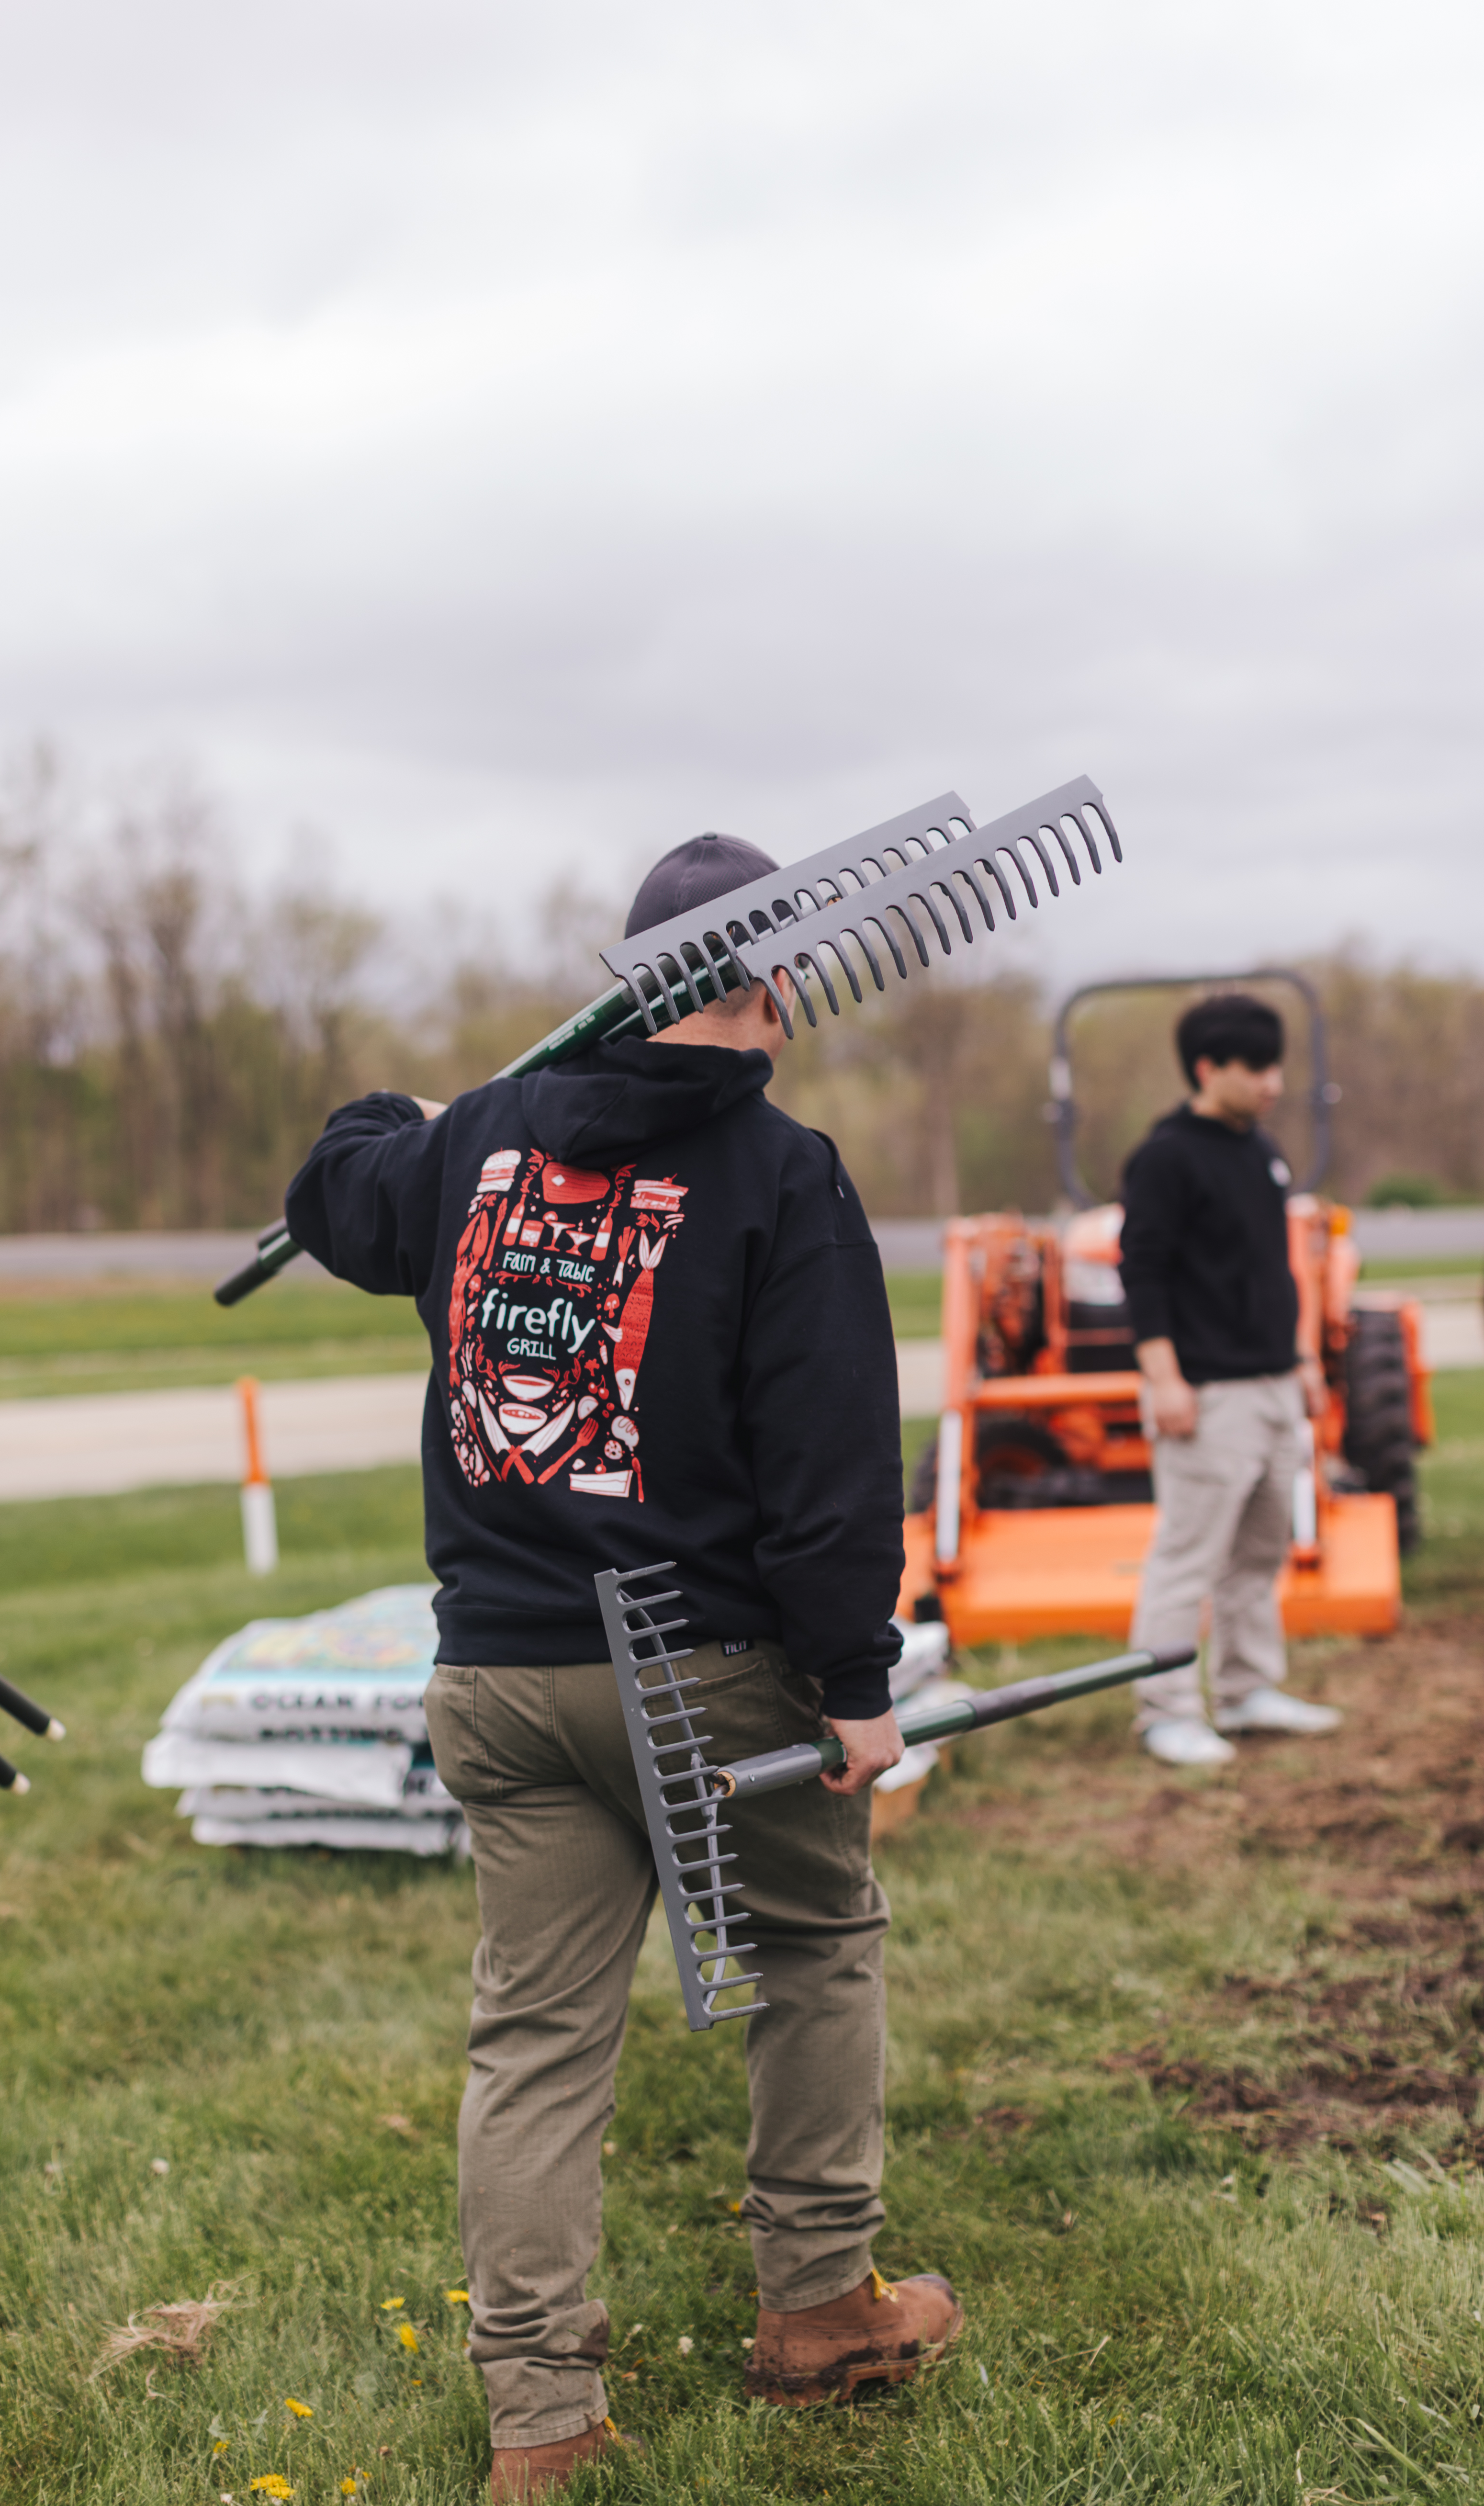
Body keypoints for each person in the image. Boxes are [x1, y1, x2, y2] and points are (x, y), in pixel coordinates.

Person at [284, 833, 963, 2500]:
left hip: (502, 1681)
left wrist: (435, 1119)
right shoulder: (782, 1172)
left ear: (622, 983)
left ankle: (542, 2423)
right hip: (705, 1664)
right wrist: (857, 1683)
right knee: (813, 1943)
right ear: (774, 985)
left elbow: (336, 1184)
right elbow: (827, 1465)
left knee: (533, 2037)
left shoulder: (479, 1146)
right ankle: (818, 2306)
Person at [1121, 992, 1342, 1769]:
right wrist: (1164, 1378)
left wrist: (1303, 1361)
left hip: (1274, 1385)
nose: (1273, 1080)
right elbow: (1141, 1271)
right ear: (1209, 1068)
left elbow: (1273, 1268)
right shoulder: (1165, 1157)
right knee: (1187, 1557)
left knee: (1258, 1553)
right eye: (1257, 1067)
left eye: (1277, 1064)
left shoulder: (1261, 1151)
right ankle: (1165, 1712)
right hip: (1206, 1395)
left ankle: (1247, 1693)